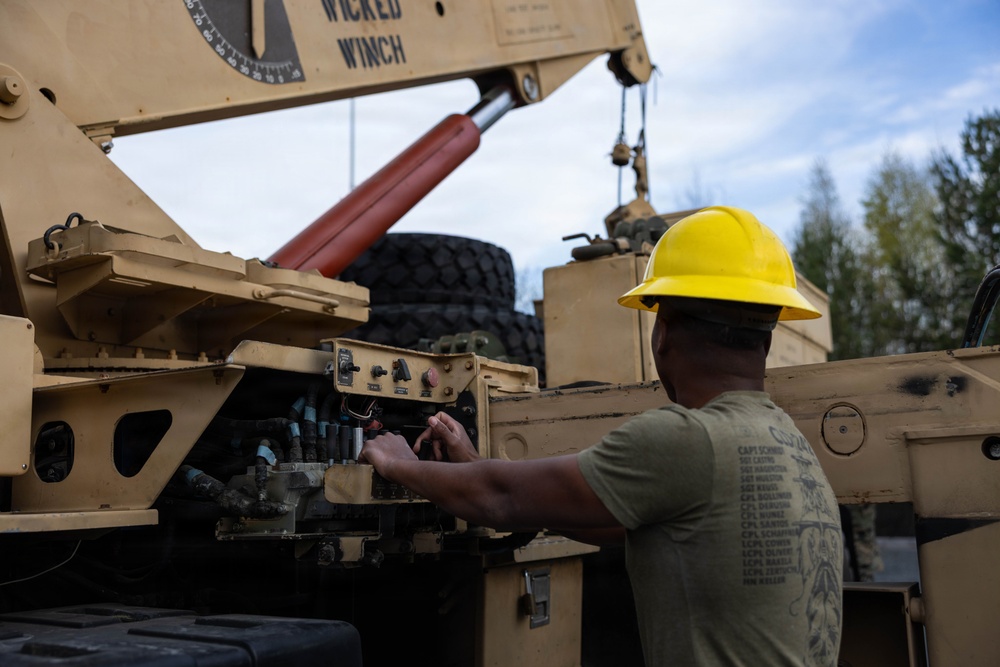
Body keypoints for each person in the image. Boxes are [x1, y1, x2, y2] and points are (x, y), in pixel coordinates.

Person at [360, 206, 844, 666]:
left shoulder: (689, 439)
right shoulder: (785, 440)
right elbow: (613, 522)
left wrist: (399, 462)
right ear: (768, 338)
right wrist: (470, 465)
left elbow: (500, 499)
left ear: (664, 332)